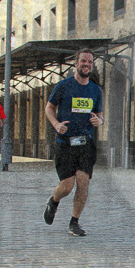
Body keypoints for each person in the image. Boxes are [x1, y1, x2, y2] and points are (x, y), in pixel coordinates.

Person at [42, 48, 103, 237]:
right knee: (67, 187)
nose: (87, 64)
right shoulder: (64, 86)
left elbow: (99, 115)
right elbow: (49, 107)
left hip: (85, 143)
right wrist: (56, 123)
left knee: (83, 183)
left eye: (90, 62)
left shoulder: (95, 90)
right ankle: (53, 201)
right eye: (83, 61)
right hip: (65, 143)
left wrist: (99, 121)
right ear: (76, 64)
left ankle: (74, 222)